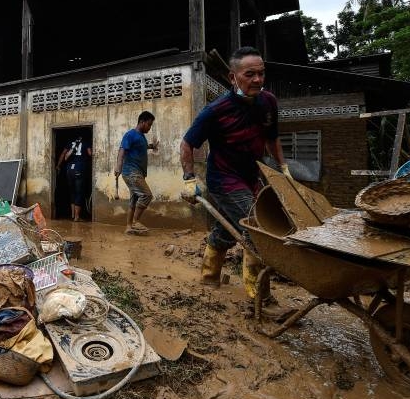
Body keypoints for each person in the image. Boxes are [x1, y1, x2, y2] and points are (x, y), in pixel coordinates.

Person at [179, 46, 290, 297]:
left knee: (228, 227)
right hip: (224, 179)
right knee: (256, 228)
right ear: (233, 77)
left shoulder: (268, 102)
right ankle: (258, 297)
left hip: (252, 177)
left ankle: (209, 276)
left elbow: (272, 138)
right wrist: (189, 178)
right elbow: (187, 145)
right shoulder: (216, 110)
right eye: (250, 74)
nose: (258, 80)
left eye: (261, 73)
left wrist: (283, 168)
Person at [115, 111, 158, 234]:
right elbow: (122, 151)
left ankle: (129, 227)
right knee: (146, 195)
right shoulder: (130, 135)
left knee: (134, 200)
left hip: (138, 172)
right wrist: (118, 167)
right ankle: (135, 222)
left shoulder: (141, 137)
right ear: (142, 122)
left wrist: (151, 146)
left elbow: (141, 147)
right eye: (149, 125)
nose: (149, 128)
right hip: (131, 172)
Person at [57, 136, 93, 221]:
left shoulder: (70, 143)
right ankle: (77, 217)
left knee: (72, 192)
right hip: (79, 169)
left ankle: (73, 215)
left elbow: (63, 155)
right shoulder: (85, 142)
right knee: (79, 193)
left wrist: (58, 165)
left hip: (69, 170)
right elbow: (90, 153)